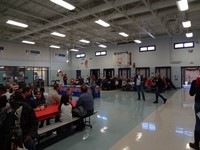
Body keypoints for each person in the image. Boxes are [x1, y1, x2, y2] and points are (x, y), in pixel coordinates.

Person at [189, 77, 200, 150]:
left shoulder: (196, 81)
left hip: (199, 104)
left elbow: (191, 93)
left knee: (198, 123)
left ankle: (196, 144)